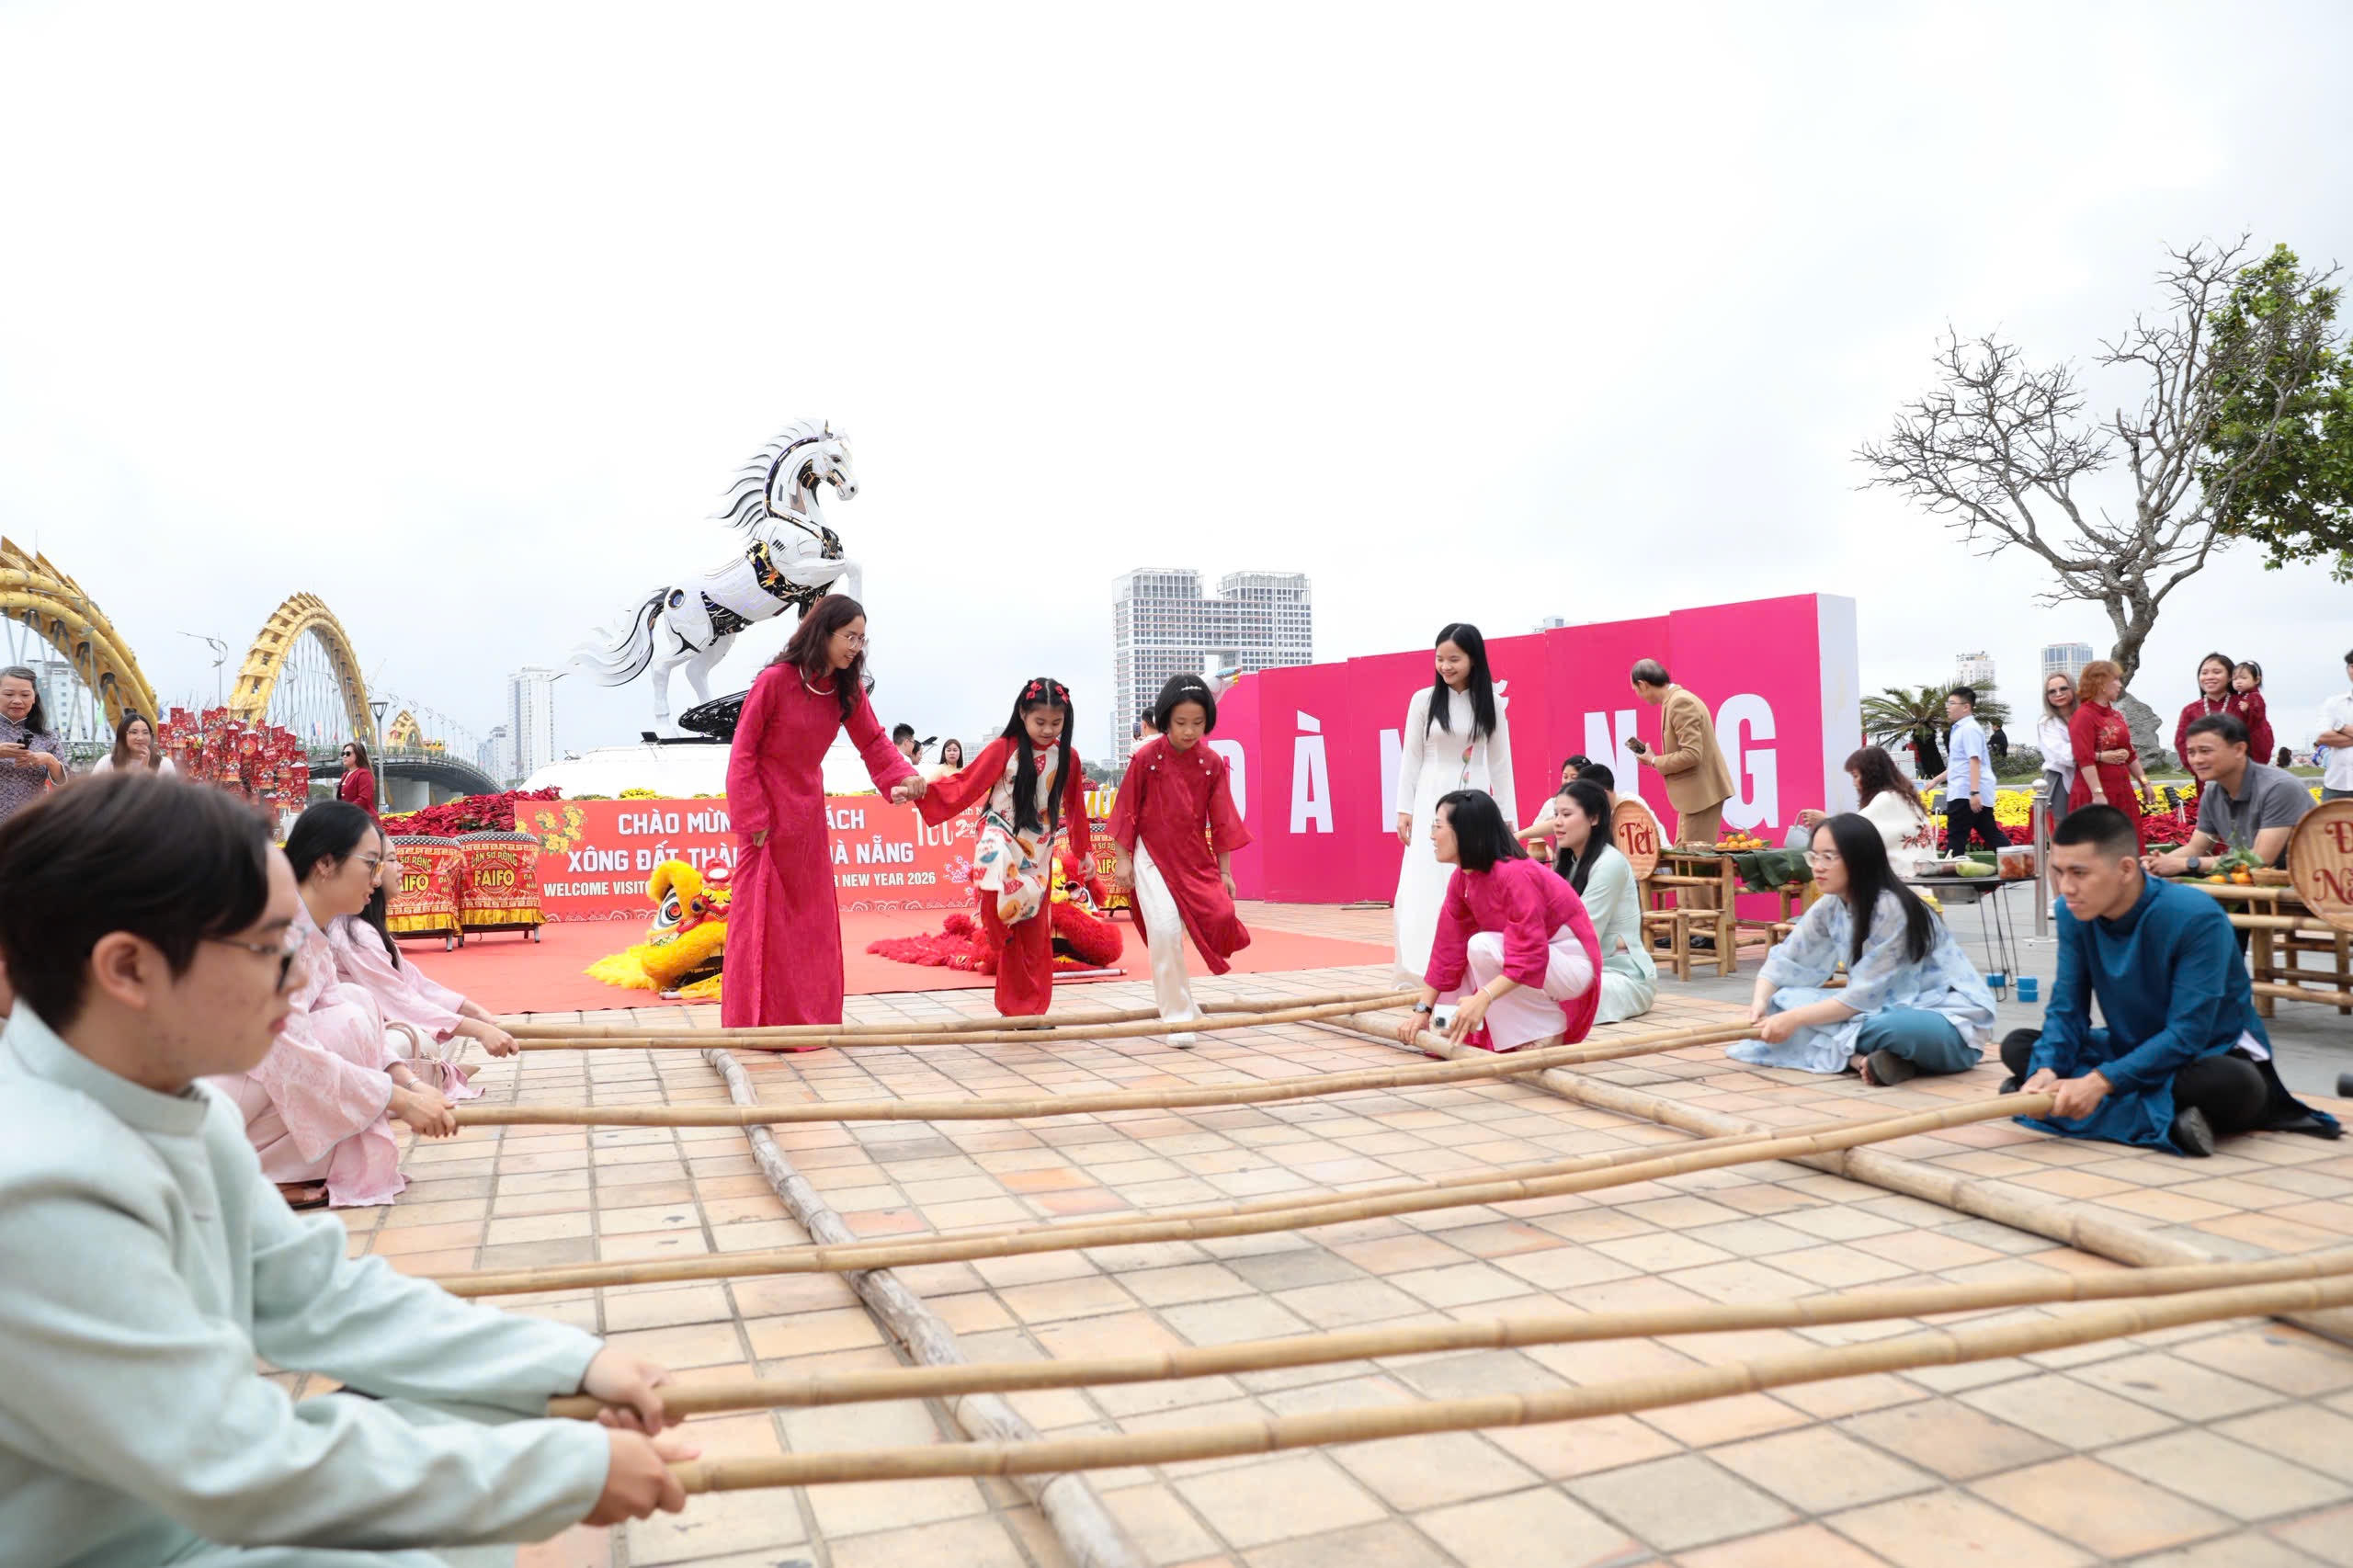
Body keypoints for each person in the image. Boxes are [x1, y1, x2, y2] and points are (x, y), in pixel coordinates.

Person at [0, 771, 697, 1565]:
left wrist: (574, 1363)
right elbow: (238, 1464)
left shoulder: (175, 1105)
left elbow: (320, 1296)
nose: (300, 976)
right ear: (128, 969)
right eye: (268, 949)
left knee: (505, 1402)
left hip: (199, 1510)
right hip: (139, 1546)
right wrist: (554, 1473)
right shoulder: (39, 1193)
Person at [2002, 804, 2339, 1155]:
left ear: (2126, 869)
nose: (2066, 887)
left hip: (2204, 1054)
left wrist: (2101, 1081)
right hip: (2128, 1046)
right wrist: (2046, 1070)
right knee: (2021, 1046)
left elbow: (2188, 1033)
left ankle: (2076, 1109)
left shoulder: (2195, 916)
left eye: (2079, 873)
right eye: (2058, 872)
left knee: (2235, 1085)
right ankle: (2171, 1122)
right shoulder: (2073, 913)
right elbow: (2067, 1009)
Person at [210, 801, 459, 1208]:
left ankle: (277, 1168)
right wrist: (400, 1100)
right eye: (371, 863)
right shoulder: (276, 931)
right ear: (325, 863)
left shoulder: (310, 928)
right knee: (341, 1028)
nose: (377, 879)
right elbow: (292, 1055)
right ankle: (248, 1172)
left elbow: (363, 1027)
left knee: (355, 1006)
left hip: (243, 1081)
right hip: (209, 1092)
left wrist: (411, 1086)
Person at [726, 595, 923, 1030]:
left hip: (807, 815)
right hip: (765, 817)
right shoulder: (774, 681)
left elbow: (873, 742)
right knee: (762, 921)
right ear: (823, 632)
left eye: (862, 639)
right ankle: (755, 1024)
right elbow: (743, 752)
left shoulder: (846, 689)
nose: (856, 647)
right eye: (849, 636)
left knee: (810, 923)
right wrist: (752, 816)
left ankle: (810, 1022)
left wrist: (903, 777)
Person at [1738, 813, 1995, 1084]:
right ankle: (1863, 1060)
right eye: (1814, 857)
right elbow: (1786, 960)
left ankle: (1852, 1053)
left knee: (1884, 1027)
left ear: (1859, 858)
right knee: (1782, 1001)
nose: (1818, 867)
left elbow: (1863, 998)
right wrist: (1760, 1002)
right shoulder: (1830, 905)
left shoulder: (1891, 907)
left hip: (1944, 1022)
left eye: (1829, 857)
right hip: (1873, 1010)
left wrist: (1794, 1020)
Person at [918, 677, 1095, 1017]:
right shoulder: (1004, 748)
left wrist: (1083, 851)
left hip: (1038, 849)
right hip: (998, 832)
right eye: (1040, 722)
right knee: (993, 857)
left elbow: (1075, 806)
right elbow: (966, 783)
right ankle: (992, 916)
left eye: (1056, 723)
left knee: (1033, 932)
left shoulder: (1068, 758)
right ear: (1022, 714)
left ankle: (1028, 1010)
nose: (1047, 730)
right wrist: (920, 792)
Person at [1397, 790, 1602, 1054]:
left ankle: (1548, 1030)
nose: (1431, 835)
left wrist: (1484, 997)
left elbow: (1529, 956)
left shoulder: (1514, 874)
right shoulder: (1462, 878)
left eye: (1438, 826)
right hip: (1539, 959)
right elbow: (1446, 951)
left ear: (1466, 831)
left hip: (1570, 965)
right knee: (1464, 952)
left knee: (1481, 946)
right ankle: (1456, 1024)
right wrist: (1422, 1012)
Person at [1110, 674, 1252, 1045]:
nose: (1189, 731)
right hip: (1151, 855)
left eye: (1197, 723)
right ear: (1165, 720)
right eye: (1181, 723)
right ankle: (1176, 1017)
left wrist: (1225, 871)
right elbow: (1125, 809)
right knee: (1164, 930)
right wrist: (1122, 859)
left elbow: (1222, 819)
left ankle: (1184, 1004)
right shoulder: (1146, 758)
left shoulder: (1211, 763)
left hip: (1193, 856)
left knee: (1218, 915)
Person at [329, 826, 520, 1094]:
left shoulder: (362, 928)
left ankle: (438, 1074)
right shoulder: (353, 933)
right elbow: (400, 1002)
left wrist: (478, 1017)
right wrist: (479, 1030)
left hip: (372, 1025)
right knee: (419, 1037)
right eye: (391, 860)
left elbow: (414, 983)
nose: (401, 868)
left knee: (445, 1026)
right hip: (342, 1039)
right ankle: (438, 1076)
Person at [1393, 624, 1517, 980]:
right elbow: (1410, 758)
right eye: (1439, 659)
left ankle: (1471, 963)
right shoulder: (1423, 700)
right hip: (1431, 797)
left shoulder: (1491, 702)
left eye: (1454, 659)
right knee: (1426, 875)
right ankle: (1423, 964)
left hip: (1475, 798)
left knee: (1471, 874)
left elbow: (1500, 763)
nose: (1445, 667)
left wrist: (1507, 815)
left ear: (1473, 659)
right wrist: (1404, 808)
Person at [1541, 779, 1654, 1024]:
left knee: (1543, 999)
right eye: (1556, 814)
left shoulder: (1609, 863)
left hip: (1620, 976)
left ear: (1594, 818)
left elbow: (1582, 932)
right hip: (1580, 967)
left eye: (1566, 815)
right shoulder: (1568, 863)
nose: (1557, 822)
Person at [2145, 714, 2313, 875]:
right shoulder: (2213, 792)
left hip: (2304, 885)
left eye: (2205, 751)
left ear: (2239, 749)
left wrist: (2187, 864)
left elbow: (2260, 859)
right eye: (2191, 752)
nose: (2197, 760)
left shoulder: (2279, 788)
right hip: (2250, 884)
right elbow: (2195, 848)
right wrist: (2155, 864)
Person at [1627, 658, 1732, 847]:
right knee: (1683, 857)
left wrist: (1654, 760)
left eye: (1635, 690)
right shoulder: (1674, 700)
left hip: (1701, 796)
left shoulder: (1679, 702)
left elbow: (1692, 754)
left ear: (1642, 685)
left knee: (1693, 860)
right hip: (1695, 797)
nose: (1638, 695)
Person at [1802, 746, 1938, 878]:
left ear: (1870, 776)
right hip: (1919, 877)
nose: (1854, 783)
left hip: (1905, 880)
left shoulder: (1886, 800)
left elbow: (1855, 833)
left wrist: (1826, 821)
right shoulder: (1903, 797)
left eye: (1856, 776)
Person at [2069, 659, 2150, 848]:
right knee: (2101, 849)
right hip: (2095, 793)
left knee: (2128, 847)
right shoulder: (2083, 716)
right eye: (2116, 679)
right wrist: (2097, 794)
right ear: (2101, 683)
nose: (2120, 685)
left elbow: (2130, 753)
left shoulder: (2116, 715)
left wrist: (2144, 782)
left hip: (2122, 791)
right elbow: (2084, 759)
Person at [1932, 686, 2004, 855]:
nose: (1947, 707)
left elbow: (1974, 760)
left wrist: (1974, 792)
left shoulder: (1969, 729)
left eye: (1952, 703)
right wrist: (1935, 781)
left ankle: (1952, 870)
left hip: (1965, 793)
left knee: (1956, 838)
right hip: (1967, 792)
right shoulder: (1961, 729)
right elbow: (1958, 765)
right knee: (1992, 835)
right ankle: (2018, 865)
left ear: (1966, 707)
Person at [0, 665, 67, 823]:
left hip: (30, 825)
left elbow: (69, 786)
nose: (17, 701)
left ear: (34, 698)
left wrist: (49, 760)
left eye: (25, 694)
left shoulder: (47, 737)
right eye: (9, 694)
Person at [2173, 652, 2247, 769]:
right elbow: (2181, 743)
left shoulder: (2244, 705)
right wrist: (2200, 768)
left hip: (2240, 774)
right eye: (2204, 673)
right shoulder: (2190, 711)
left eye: (2216, 672)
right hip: (2204, 774)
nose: (2209, 677)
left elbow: (2258, 737)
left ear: (2230, 677)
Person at [2036, 669, 2080, 828]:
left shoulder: (2086, 715)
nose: (2058, 694)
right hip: (2059, 779)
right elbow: (2064, 756)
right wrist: (2097, 754)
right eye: (2052, 691)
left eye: (2063, 688)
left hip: (2090, 776)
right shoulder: (2046, 723)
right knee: (2062, 831)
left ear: (2073, 689)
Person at [90, 711, 176, 774]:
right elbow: (93, 791)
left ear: (151, 736)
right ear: (122, 735)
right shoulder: (107, 762)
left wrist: (146, 772)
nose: (140, 737)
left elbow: (171, 793)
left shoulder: (165, 764)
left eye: (145, 732)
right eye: (134, 732)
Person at [2321, 649, 2353, 802]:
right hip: (2337, 785)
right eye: (2352, 666)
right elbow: (2323, 737)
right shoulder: (2334, 703)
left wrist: (2341, 728)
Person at [2232, 662, 2274, 767]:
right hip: (2248, 736)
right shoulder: (2242, 696)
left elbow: (2258, 715)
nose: (2238, 682)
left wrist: (2248, 709)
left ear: (2256, 680)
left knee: (2254, 763)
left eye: (2243, 678)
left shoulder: (2254, 696)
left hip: (2256, 737)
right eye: (2235, 679)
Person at [336, 739, 378, 819]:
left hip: (364, 820)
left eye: (348, 753)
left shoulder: (364, 774)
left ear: (358, 755)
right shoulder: (345, 775)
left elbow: (364, 799)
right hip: (350, 819)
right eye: (343, 753)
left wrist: (346, 810)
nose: (344, 756)